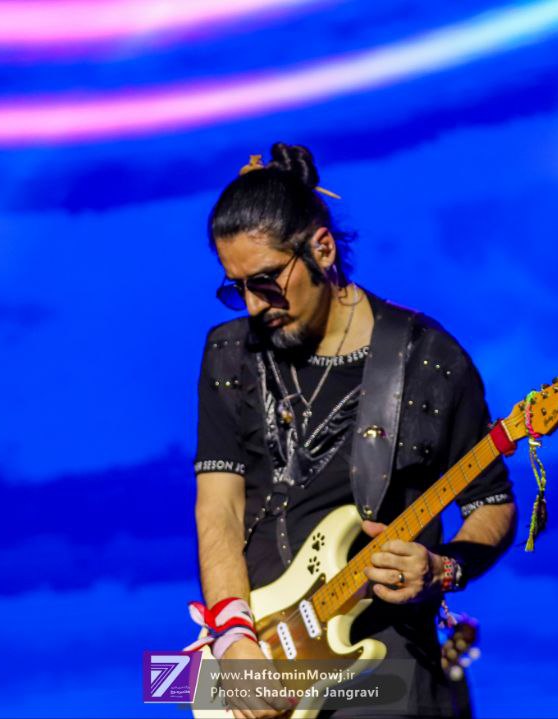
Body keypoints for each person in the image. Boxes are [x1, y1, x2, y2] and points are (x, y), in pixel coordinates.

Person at [193, 143, 517, 718]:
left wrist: (442, 569)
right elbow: (218, 505)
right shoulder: (228, 353)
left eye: (264, 281)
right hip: (255, 644)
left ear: (322, 248)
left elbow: (492, 505)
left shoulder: (428, 359)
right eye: (235, 287)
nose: (252, 306)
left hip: (380, 663)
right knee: (161, 682)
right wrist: (231, 635)